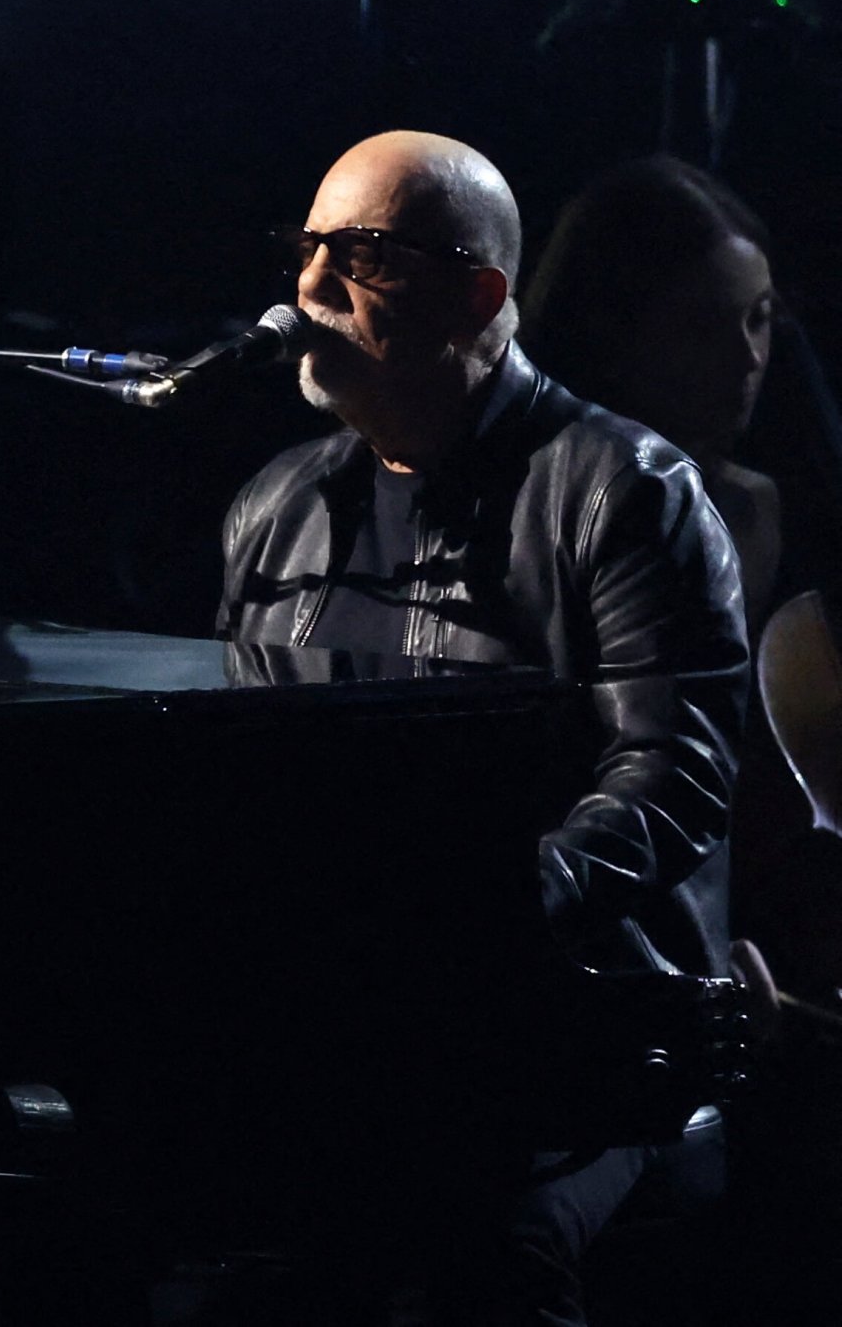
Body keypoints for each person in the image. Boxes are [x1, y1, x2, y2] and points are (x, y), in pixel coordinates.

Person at [213, 130, 749, 1324]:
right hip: (353, 1025)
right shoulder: (273, 509)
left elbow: (670, 778)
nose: (307, 288)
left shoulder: (623, 490)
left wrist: (487, 909)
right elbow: (230, 770)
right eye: (305, 251)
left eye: (360, 256)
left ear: (478, 294)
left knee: (483, 1238)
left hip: (590, 1037)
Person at [519, 156, 781, 626]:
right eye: (702, 328)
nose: (749, 358)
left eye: (758, 319)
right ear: (612, 333)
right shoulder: (532, 511)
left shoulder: (748, 508)